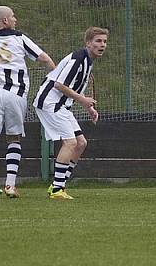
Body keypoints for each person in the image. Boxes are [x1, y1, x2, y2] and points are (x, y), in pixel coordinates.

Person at [0, 6, 55, 198]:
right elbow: (44, 58)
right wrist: (54, 78)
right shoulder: (19, 38)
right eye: (13, 17)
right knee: (13, 138)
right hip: (15, 94)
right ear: (6, 21)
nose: (15, 20)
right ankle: (10, 184)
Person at [34, 26, 108, 200]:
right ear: (88, 43)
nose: (102, 45)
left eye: (104, 41)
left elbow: (74, 87)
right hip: (50, 103)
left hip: (62, 106)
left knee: (81, 143)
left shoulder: (87, 61)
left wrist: (89, 107)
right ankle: (56, 189)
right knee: (70, 143)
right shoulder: (78, 58)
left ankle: (58, 185)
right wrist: (83, 101)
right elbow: (59, 85)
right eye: (98, 41)